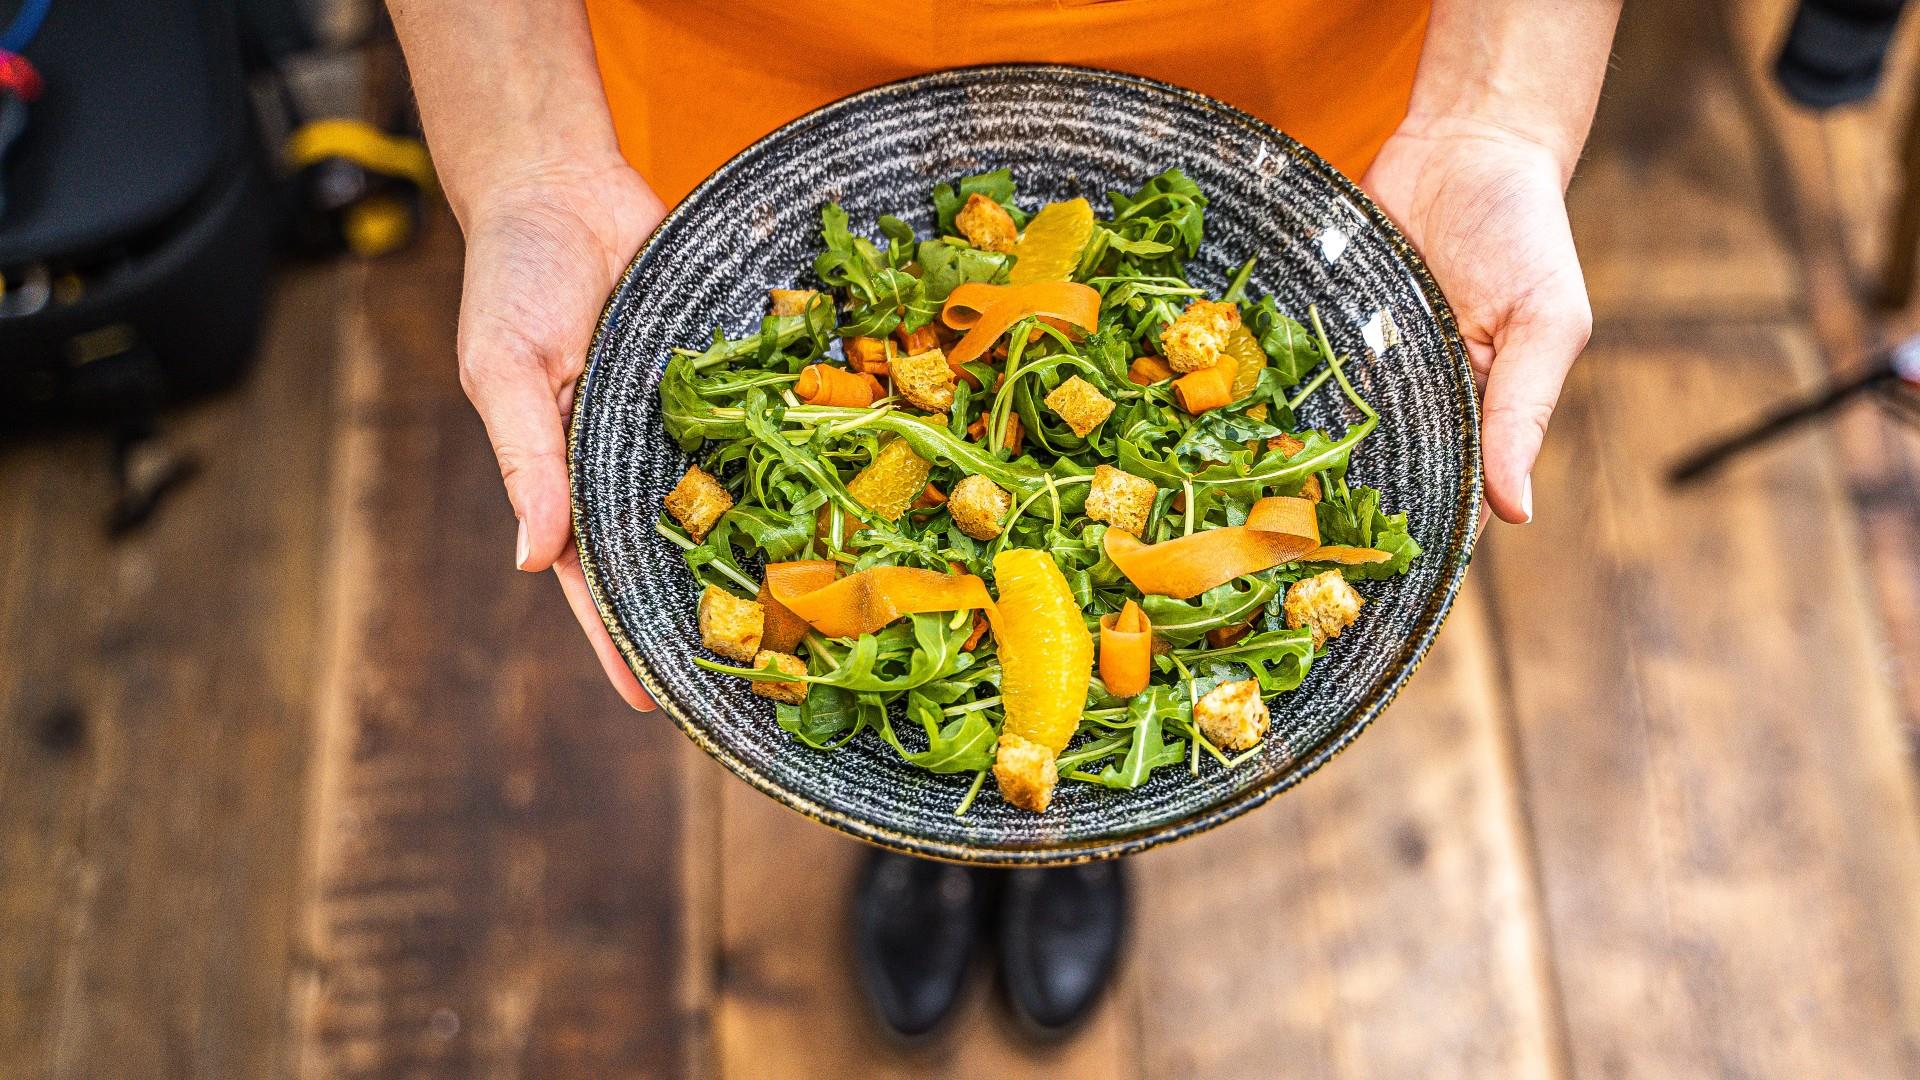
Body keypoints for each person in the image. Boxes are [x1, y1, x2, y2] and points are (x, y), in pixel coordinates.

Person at [390, 0, 1620, 1042]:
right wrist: (528, 151)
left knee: (1063, 699)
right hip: (742, 81)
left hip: (1269, 72)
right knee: (896, 681)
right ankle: (929, 840)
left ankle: (1069, 841)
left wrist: (1497, 110)